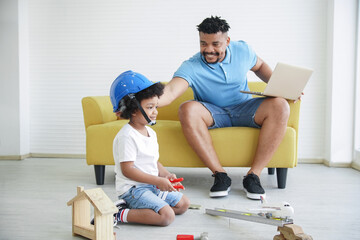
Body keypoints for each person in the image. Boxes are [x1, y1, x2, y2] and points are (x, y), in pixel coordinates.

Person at [158, 16, 290, 200]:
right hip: (214, 113)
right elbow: (171, 91)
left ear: (227, 41)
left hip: (246, 108)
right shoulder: (191, 66)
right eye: (203, 43)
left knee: (281, 105)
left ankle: (253, 176)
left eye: (215, 44)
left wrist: (283, 88)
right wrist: (146, 101)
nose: (209, 50)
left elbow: (259, 66)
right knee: (187, 108)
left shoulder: (242, 50)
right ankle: (220, 175)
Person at [108, 70, 190, 226]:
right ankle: (120, 213)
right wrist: (157, 181)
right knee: (167, 217)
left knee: (183, 204)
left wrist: (165, 175)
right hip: (133, 190)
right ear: (132, 109)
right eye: (150, 107)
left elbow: (153, 161)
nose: (155, 112)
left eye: (156, 106)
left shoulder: (150, 132)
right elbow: (128, 170)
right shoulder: (127, 136)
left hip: (151, 185)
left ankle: (147, 207)